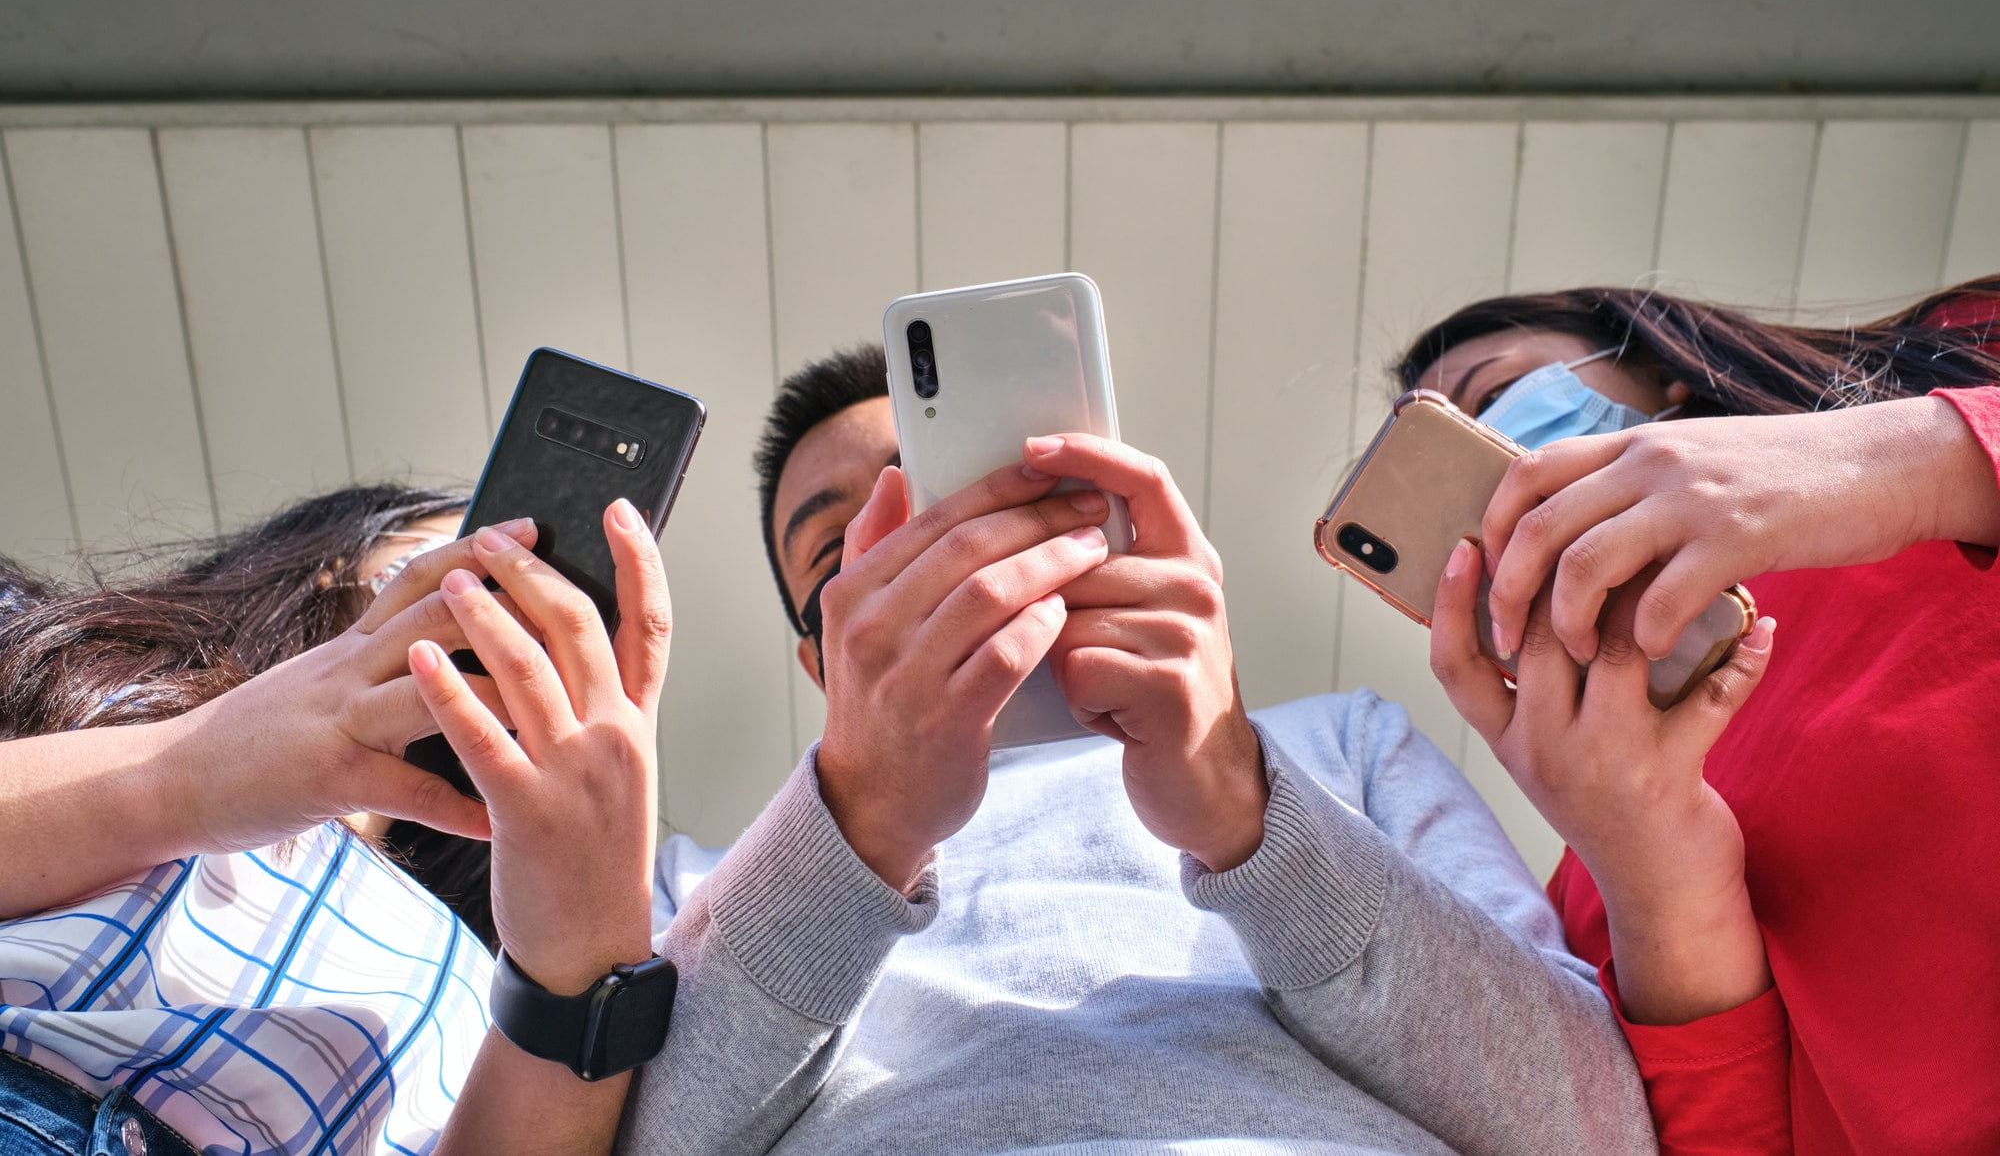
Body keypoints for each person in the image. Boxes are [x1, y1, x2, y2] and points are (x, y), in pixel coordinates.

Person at [457, 343, 1661, 1156]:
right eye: (845, 560)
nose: (921, 560)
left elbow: (1588, 1122)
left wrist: (1242, 807)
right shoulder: (697, 880)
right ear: (824, 665)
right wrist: (862, 819)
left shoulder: (1335, 744)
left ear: (1097, 523)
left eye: (949, 502)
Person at [1396, 278, 2000, 1154]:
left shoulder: (1952, 367)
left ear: (1657, 369)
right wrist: (1657, 875)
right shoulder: (1590, 875)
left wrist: (1913, 466)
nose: (1500, 462)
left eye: (1492, 398)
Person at [0, 488, 549, 1154]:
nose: (494, 613)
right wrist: (185, 773)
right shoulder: (42, 642)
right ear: (337, 561)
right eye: (468, 566)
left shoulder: (483, 973)